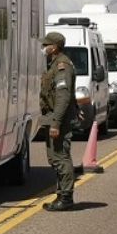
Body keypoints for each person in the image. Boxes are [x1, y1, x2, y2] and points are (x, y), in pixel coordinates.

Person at [39, 31, 78, 211]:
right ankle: (61, 195)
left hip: (58, 120)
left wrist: (56, 123)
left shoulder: (62, 66)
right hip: (53, 117)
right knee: (54, 158)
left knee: (61, 158)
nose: (43, 48)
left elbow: (63, 97)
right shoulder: (54, 64)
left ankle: (66, 198)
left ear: (54, 47)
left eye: (46, 45)